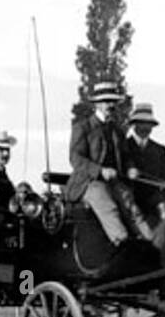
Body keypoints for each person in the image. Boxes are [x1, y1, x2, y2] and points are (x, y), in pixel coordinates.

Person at [64, 81, 152, 246]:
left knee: (132, 209)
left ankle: (151, 247)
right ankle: (124, 246)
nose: (109, 105)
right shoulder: (83, 127)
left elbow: (126, 156)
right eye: (105, 101)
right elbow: (75, 158)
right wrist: (99, 170)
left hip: (114, 182)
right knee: (109, 207)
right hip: (88, 183)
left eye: (112, 101)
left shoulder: (117, 130)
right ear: (96, 103)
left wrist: (131, 167)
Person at [121, 102, 165, 228]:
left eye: (149, 124)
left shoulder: (160, 150)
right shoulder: (122, 146)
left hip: (156, 198)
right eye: (142, 123)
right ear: (134, 124)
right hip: (131, 198)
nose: (146, 127)